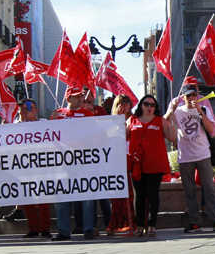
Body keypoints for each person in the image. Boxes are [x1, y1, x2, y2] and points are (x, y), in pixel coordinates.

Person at [165, 84, 215, 233]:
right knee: (189, 191)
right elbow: (165, 125)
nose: (191, 98)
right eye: (188, 96)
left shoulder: (203, 109)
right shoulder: (178, 111)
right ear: (183, 98)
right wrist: (170, 110)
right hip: (185, 157)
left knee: (209, 188)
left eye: (194, 95)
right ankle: (194, 222)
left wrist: (200, 112)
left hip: (203, 154)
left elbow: (212, 130)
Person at [50, 88, 98, 240]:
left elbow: (95, 134)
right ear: (69, 98)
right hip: (63, 162)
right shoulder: (58, 114)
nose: (81, 99)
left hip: (83, 161)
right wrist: (51, 121)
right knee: (62, 197)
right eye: (77, 97)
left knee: (87, 196)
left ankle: (88, 228)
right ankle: (63, 231)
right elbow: (49, 135)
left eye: (81, 96)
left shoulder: (88, 114)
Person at [128, 94, 171, 238]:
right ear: (141, 105)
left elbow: (172, 137)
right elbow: (122, 135)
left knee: (153, 195)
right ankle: (139, 225)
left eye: (152, 105)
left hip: (155, 164)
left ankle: (152, 225)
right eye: (146, 104)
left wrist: (171, 118)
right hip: (137, 164)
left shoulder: (160, 121)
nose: (149, 107)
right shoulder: (132, 120)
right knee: (139, 196)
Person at [14, 100, 52, 238]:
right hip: (25, 168)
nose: (27, 111)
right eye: (24, 109)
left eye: (30, 108)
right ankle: (33, 228)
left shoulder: (43, 122)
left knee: (43, 199)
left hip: (42, 167)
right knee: (28, 199)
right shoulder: (17, 125)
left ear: (35, 109)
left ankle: (45, 228)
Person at [106, 94, 135, 236]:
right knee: (116, 196)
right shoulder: (109, 123)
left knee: (129, 195)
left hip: (128, 161)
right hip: (114, 162)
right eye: (119, 104)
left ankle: (130, 223)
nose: (122, 107)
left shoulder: (133, 121)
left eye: (125, 104)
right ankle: (116, 224)